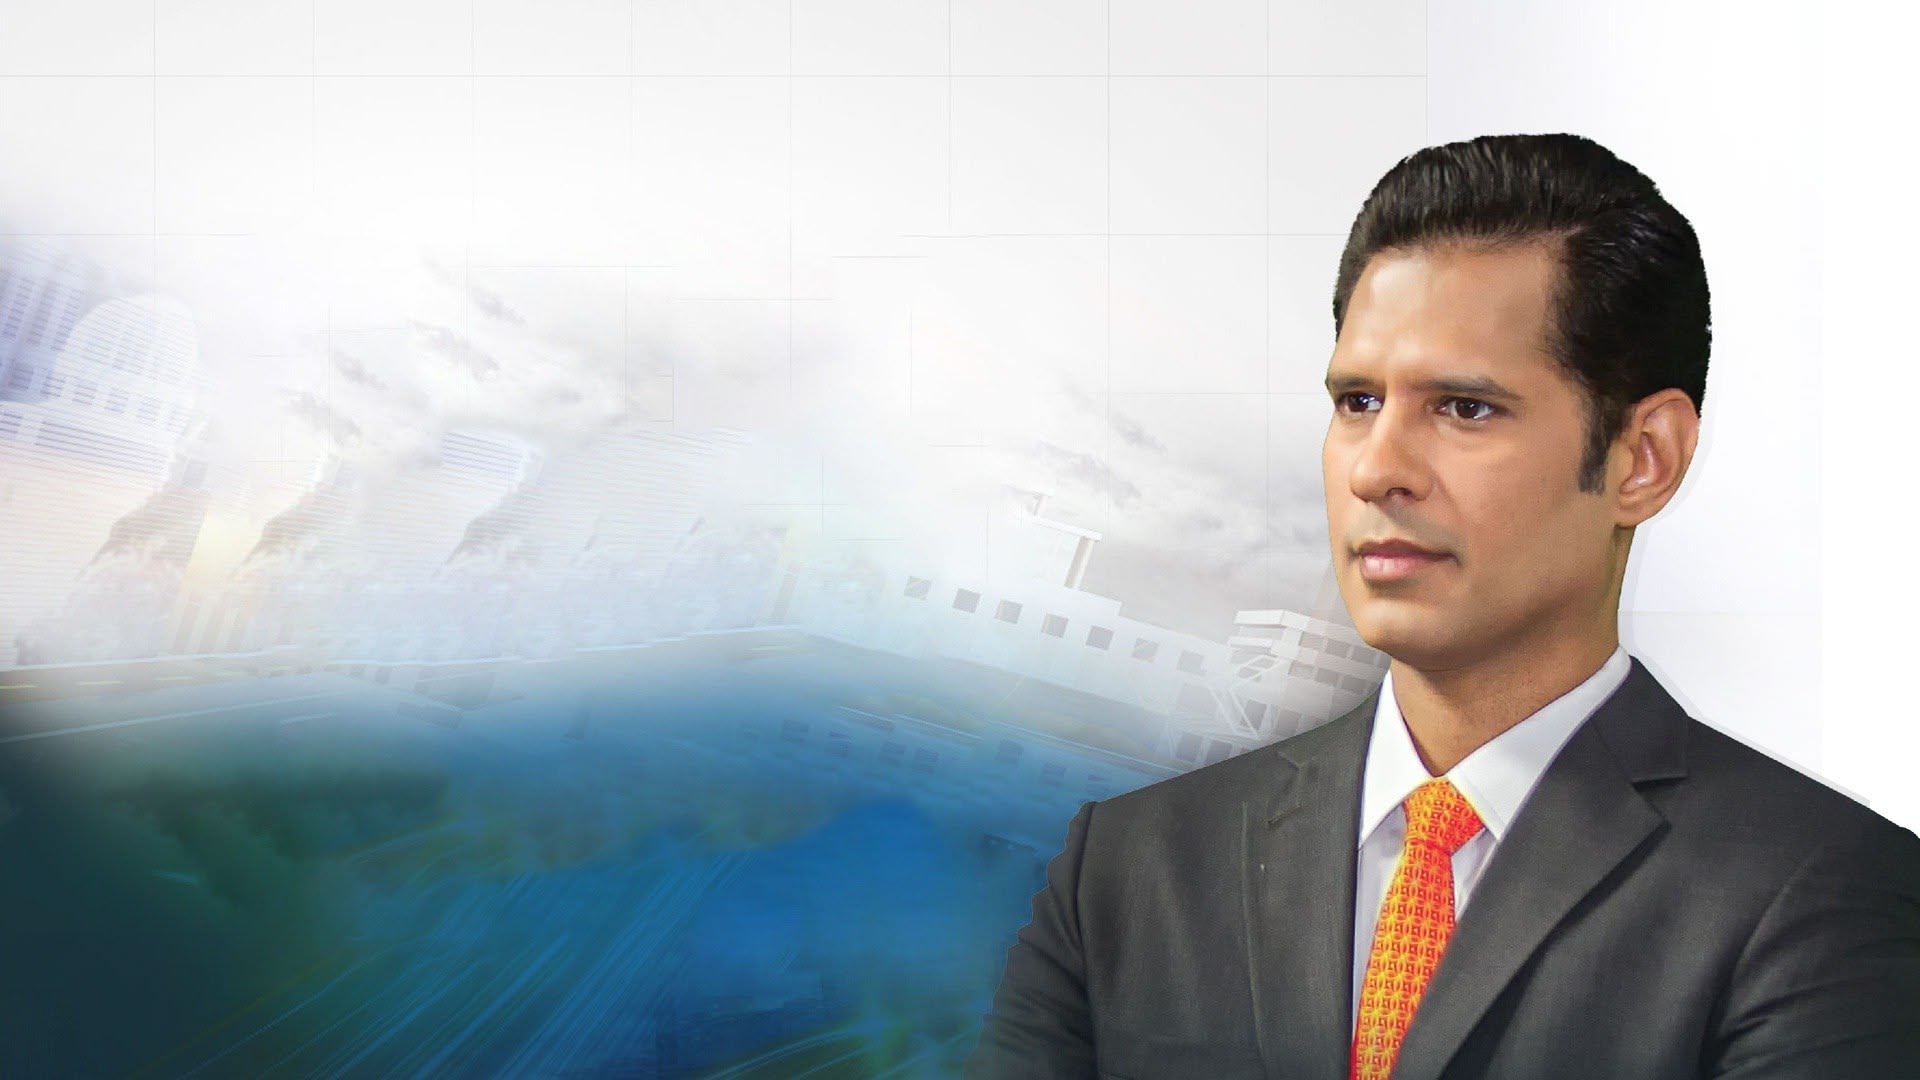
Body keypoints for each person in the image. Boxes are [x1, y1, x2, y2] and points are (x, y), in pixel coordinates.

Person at [966, 133, 1920, 1079]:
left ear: (1643, 460)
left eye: (1465, 407)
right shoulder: (1129, 872)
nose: (1378, 469)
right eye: (1357, 402)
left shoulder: (1816, 894)